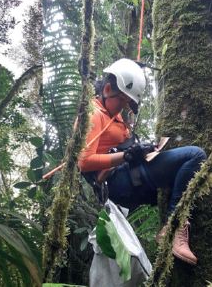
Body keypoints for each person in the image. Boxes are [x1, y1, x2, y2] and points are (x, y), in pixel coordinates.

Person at [77, 58, 206, 265]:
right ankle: (174, 228)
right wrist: (126, 156)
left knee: (182, 172)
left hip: (130, 177)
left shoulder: (115, 116)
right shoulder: (93, 113)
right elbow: (83, 162)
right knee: (195, 156)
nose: (123, 107)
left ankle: (174, 227)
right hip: (117, 181)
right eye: (122, 101)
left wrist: (141, 149)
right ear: (108, 89)